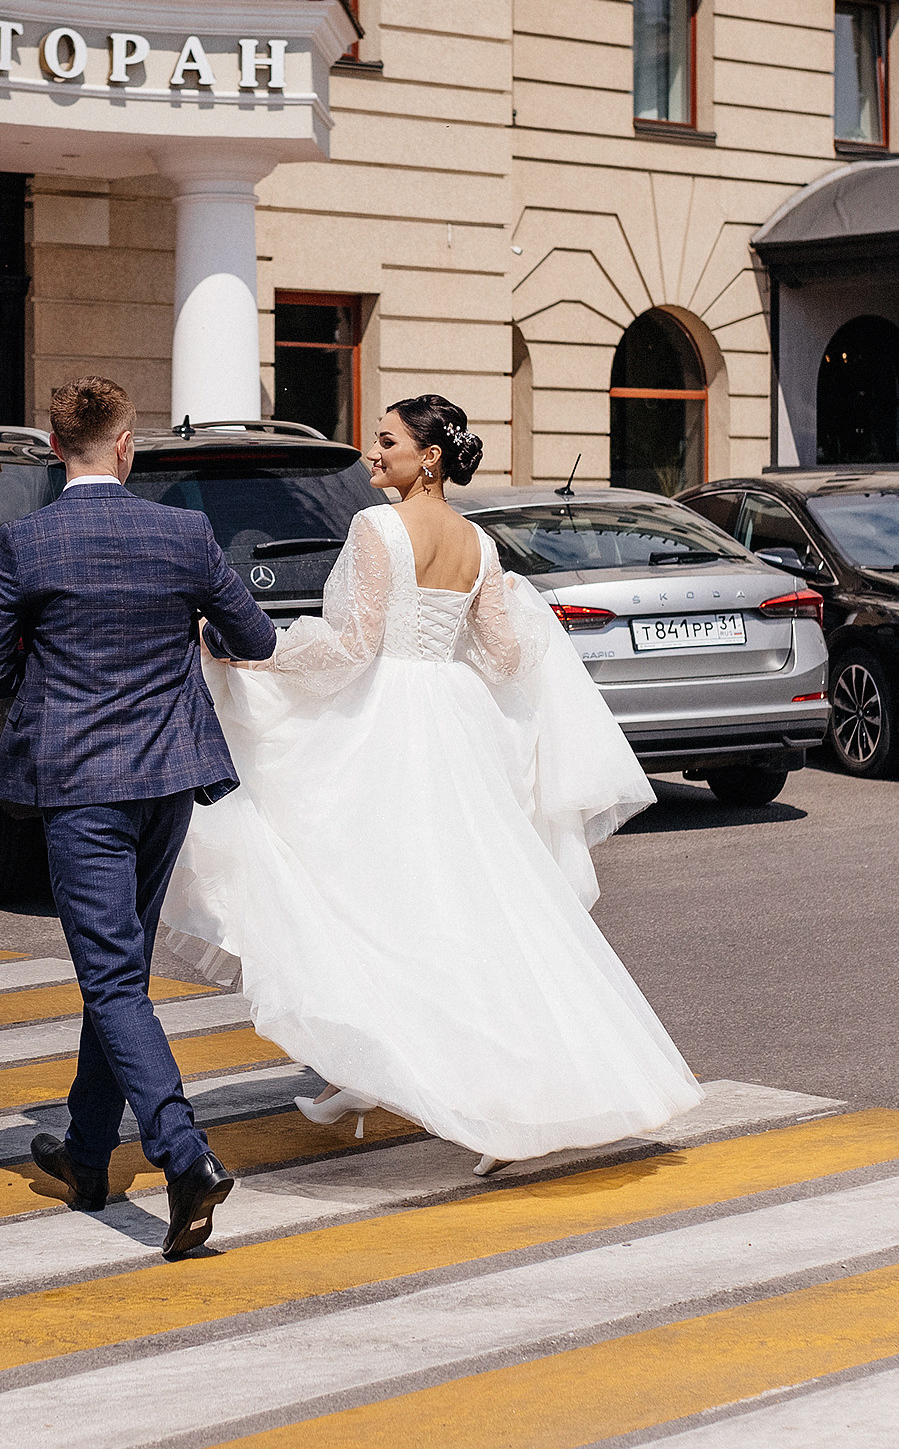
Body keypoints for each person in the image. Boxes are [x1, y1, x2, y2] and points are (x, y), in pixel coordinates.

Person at [162, 392, 701, 1172]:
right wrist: (518, 614)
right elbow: (505, 659)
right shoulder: (479, 543)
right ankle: (376, 1074)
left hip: (387, 724)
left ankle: (440, 1089)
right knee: (461, 907)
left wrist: (258, 654)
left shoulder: (376, 527)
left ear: (429, 457)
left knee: (377, 904)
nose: (372, 452)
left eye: (387, 441)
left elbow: (354, 648)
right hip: (457, 724)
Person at [0, 375, 278, 1257]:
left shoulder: (27, 542)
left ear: (54, 446)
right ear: (127, 444)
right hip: (168, 780)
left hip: (79, 785)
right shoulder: (183, 534)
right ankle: (88, 1154)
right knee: (120, 971)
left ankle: (184, 1156)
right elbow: (255, 639)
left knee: (109, 978)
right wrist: (191, 630)